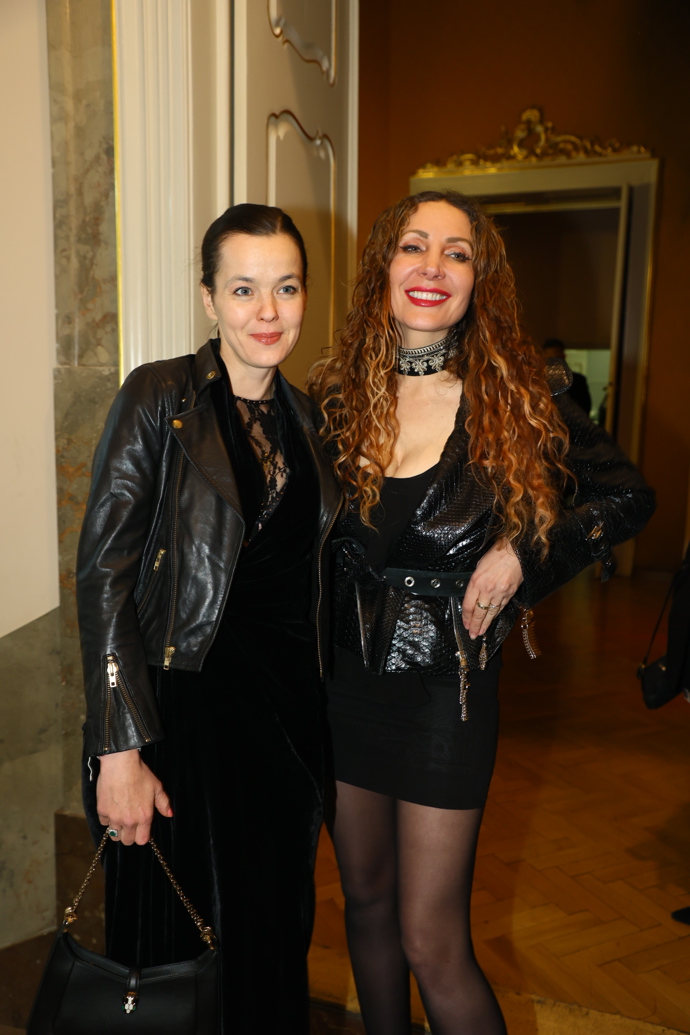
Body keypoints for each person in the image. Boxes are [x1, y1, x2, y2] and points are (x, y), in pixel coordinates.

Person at [308, 190, 655, 1035]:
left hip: (446, 694)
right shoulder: (333, 396)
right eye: (413, 246)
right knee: (365, 903)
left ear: (477, 278)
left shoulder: (518, 394)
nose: (432, 266)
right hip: (342, 686)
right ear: (384, 267)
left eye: (456, 252)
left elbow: (628, 495)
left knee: (432, 939)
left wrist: (526, 553)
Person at [76, 204, 340, 1035]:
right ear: (209, 297)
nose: (268, 311)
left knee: (272, 941)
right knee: (178, 957)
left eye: (286, 287)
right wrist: (119, 744)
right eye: (244, 288)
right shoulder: (160, 396)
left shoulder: (312, 422)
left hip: (287, 732)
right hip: (182, 718)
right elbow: (104, 572)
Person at [542, 338, 592, 415]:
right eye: (549, 360)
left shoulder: (578, 381)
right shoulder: (541, 381)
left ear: (563, 357)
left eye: (557, 358)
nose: (553, 363)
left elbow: (585, 408)